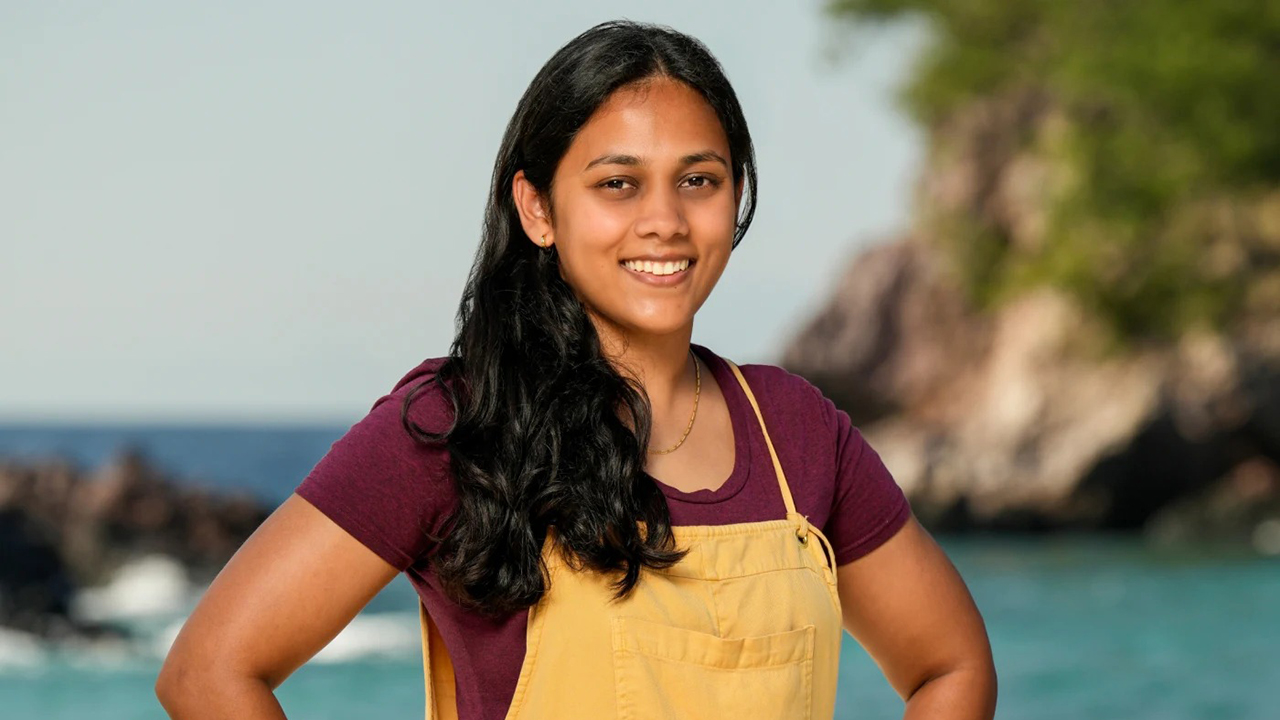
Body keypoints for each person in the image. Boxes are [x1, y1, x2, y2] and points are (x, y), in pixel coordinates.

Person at [155, 19, 996, 720]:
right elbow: (210, 673)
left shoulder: (798, 433)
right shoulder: (457, 427)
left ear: (734, 198)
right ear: (537, 209)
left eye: (698, 180)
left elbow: (950, 667)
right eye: (618, 184)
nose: (664, 221)